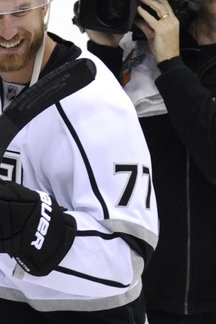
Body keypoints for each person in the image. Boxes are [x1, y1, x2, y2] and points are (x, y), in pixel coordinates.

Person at [0, 0, 160, 322]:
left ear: (45, 6)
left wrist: (39, 230)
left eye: (21, 11)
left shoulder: (97, 104)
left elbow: (126, 259)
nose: (8, 30)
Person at [84, 0, 216, 322]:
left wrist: (171, 64)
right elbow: (97, 145)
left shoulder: (166, 49)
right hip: (140, 288)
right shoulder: (149, 39)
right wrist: (105, 51)